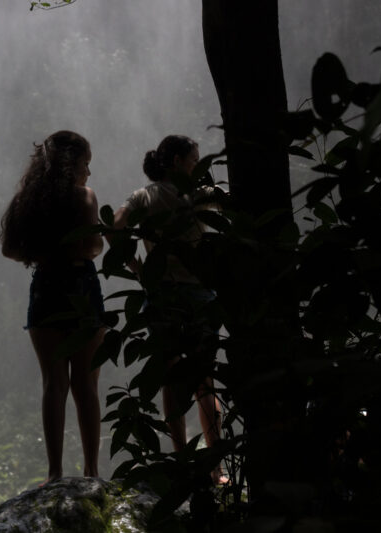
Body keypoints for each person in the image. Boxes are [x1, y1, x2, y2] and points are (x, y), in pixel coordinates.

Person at [111, 134, 228, 484]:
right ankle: (217, 468)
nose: (197, 165)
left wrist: (138, 269)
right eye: (194, 160)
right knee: (204, 382)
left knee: (171, 378)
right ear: (177, 161)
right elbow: (236, 204)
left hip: (161, 298)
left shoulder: (143, 196)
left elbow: (114, 228)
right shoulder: (197, 195)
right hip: (199, 296)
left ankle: (183, 465)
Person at [0, 130, 106, 482]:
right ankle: (91, 472)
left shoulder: (27, 201)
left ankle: (55, 473)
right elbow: (93, 246)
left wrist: (46, 252)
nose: (88, 172)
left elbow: (11, 249)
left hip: (45, 286)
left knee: (54, 384)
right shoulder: (84, 197)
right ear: (71, 164)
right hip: (79, 287)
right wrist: (72, 248)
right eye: (85, 164)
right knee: (86, 385)